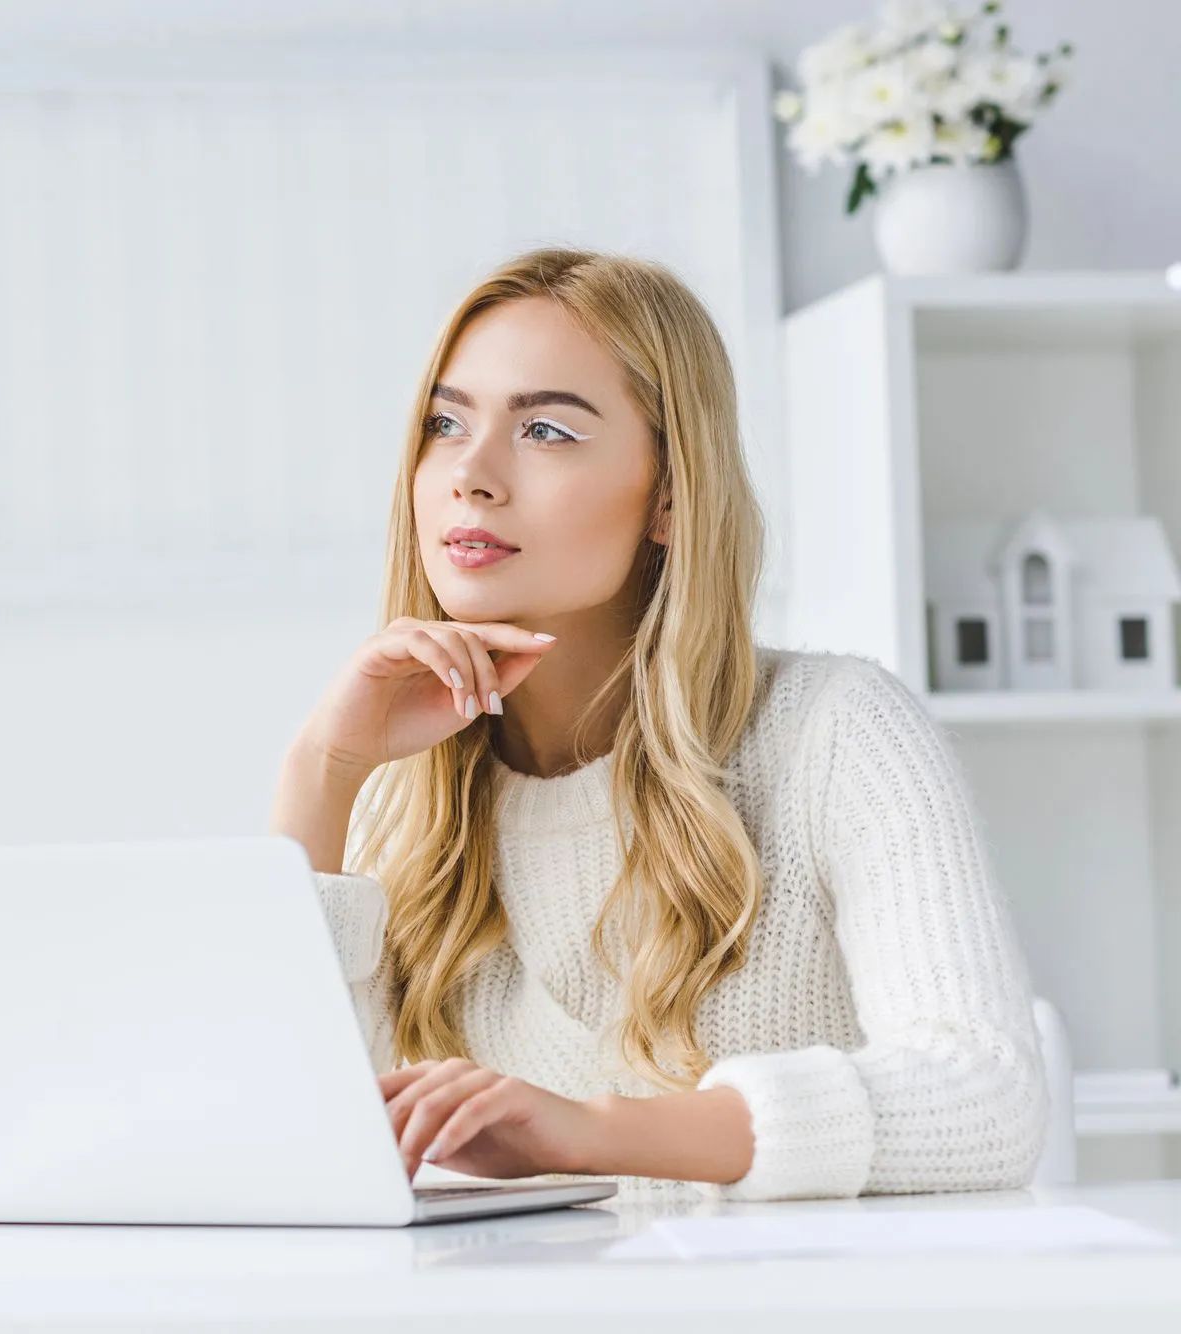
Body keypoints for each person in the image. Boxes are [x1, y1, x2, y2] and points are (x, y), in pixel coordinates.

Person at [269, 247, 1046, 1202]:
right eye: (444, 422)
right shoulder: (398, 800)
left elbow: (983, 1101)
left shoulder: (836, 734)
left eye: (546, 429)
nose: (471, 473)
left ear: (671, 496)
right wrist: (324, 770)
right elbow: (279, 1139)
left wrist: (595, 1135)